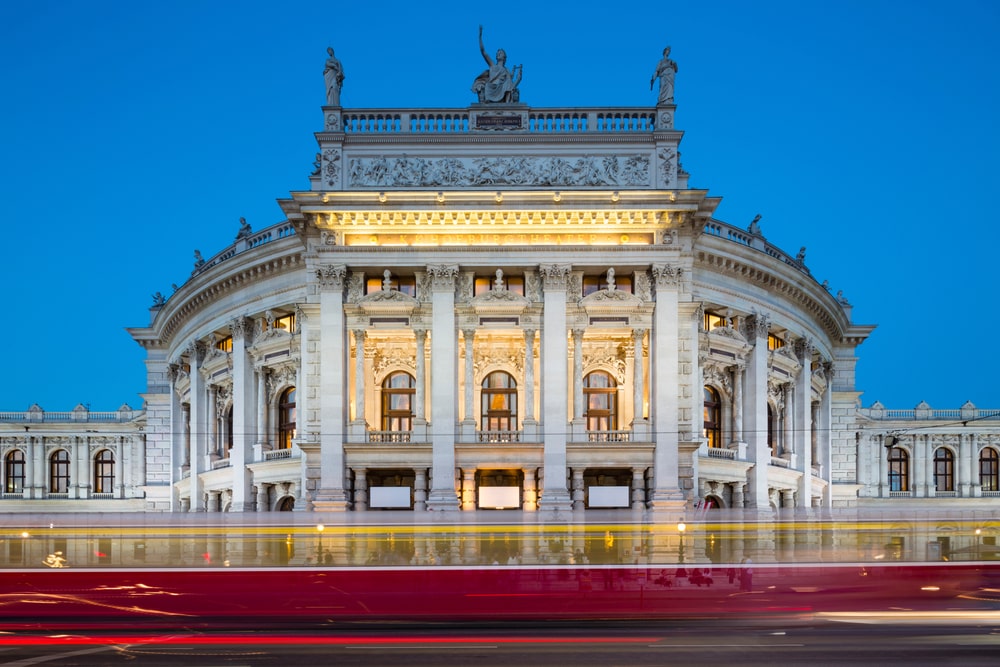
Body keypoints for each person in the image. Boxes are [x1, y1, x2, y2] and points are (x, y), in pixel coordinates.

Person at [472, 25, 522, 103]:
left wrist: (518, 78)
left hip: (503, 87)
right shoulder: (492, 65)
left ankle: (508, 102)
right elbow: (483, 52)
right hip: (492, 87)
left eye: (500, 53)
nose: (498, 54)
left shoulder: (506, 70)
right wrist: (480, 37)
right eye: (497, 53)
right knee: (488, 86)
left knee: (508, 82)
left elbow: (511, 84)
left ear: (504, 57)